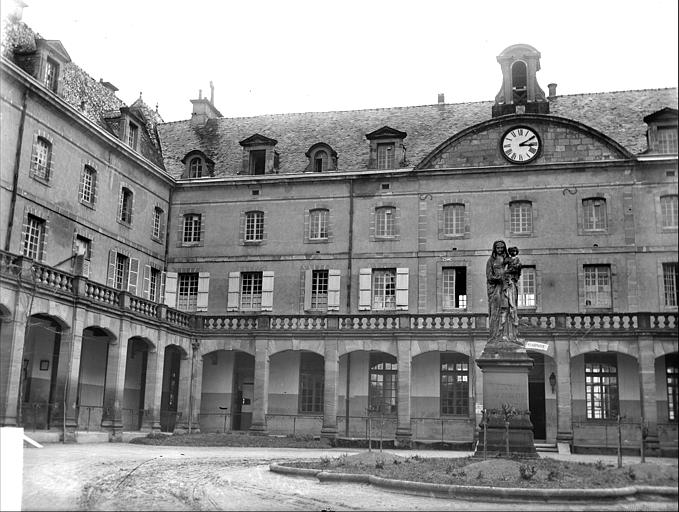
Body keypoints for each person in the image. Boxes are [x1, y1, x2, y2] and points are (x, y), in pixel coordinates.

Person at [485, 240, 521, 344]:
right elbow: (489, 277)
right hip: (497, 289)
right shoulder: (491, 260)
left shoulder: (508, 259)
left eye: (502, 247)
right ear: (495, 249)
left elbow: (516, 271)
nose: (500, 249)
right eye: (498, 248)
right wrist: (499, 278)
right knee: (497, 311)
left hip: (508, 287)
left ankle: (510, 336)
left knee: (509, 310)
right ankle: (496, 336)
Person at [504, 246, 522, 336]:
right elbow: (503, 264)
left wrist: (508, 271)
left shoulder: (517, 260)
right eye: (512, 251)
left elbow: (517, 269)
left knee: (512, 302)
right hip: (508, 281)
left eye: (515, 251)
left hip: (513, 280)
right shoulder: (508, 259)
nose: (513, 252)